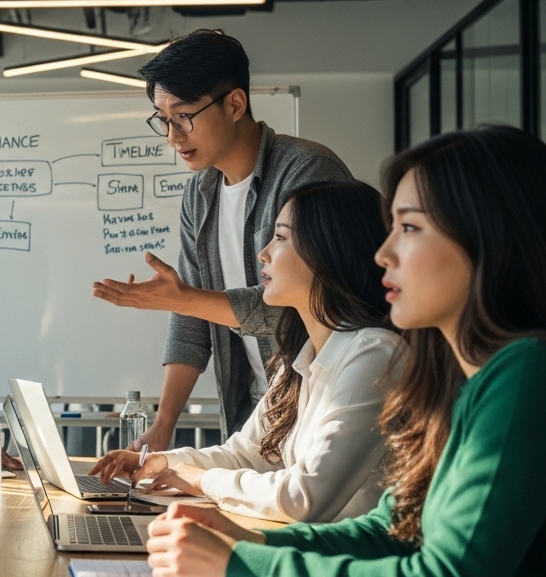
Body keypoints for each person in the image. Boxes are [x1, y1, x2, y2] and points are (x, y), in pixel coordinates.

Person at [144, 127, 546, 577]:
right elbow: (395, 528)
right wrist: (252, 548)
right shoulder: (465, 380)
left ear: (491, 240)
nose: (384, 253)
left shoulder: (531, 376)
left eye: (409, 228)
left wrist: (241, 570)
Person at [91, 29, 351, 452]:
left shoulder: (307, 171)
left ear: (234, 104)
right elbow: (191, 317)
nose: (174, 136)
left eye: (184, 115)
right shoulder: (200, 194)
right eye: (163, 119)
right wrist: (163, 425)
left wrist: (182, 298)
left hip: (324, 401)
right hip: (258, 411)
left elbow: (305, 300)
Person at [90, 180, 399, 523]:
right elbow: (243, 455)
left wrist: (203, 480)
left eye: (280, 238)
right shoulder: (301, 357)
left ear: (328, 251)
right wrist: (164, 462)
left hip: (348, 566)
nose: (263, 253)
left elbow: (305, 497)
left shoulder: (375, 355)